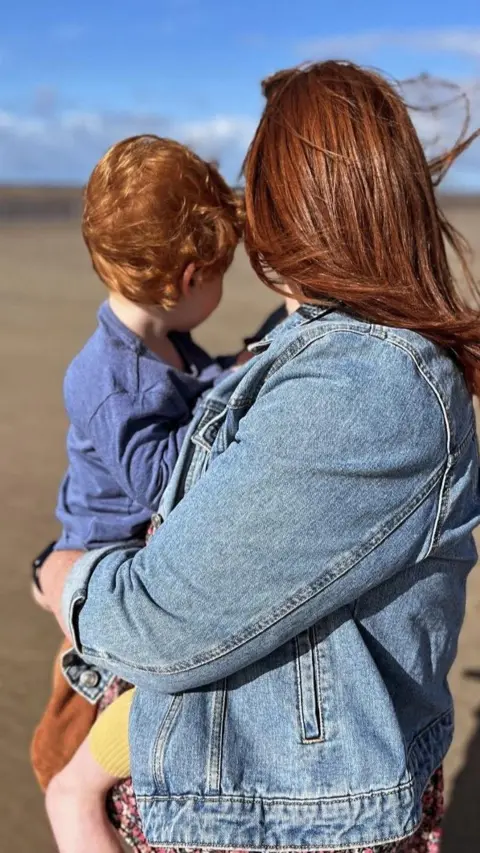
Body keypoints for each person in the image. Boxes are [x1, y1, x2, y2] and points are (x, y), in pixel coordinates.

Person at [39, 61, 480, 853]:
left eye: (260, 194)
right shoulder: (317, 351)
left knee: (71, 786)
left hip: (284, 818)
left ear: (300, 215)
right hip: (246, 797)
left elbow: (158, 622)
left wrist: (68, 577)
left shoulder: (365, 384)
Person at [36, 134, 245, 852]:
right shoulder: (106, 377)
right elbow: (160, 476)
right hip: (106, 552)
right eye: (220, 275)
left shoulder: (167, 342)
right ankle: (79, 799)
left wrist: (227, 369)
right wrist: (231, 392)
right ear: (188, 278)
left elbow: (192, 383)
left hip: (129, 543)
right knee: (134, 701)